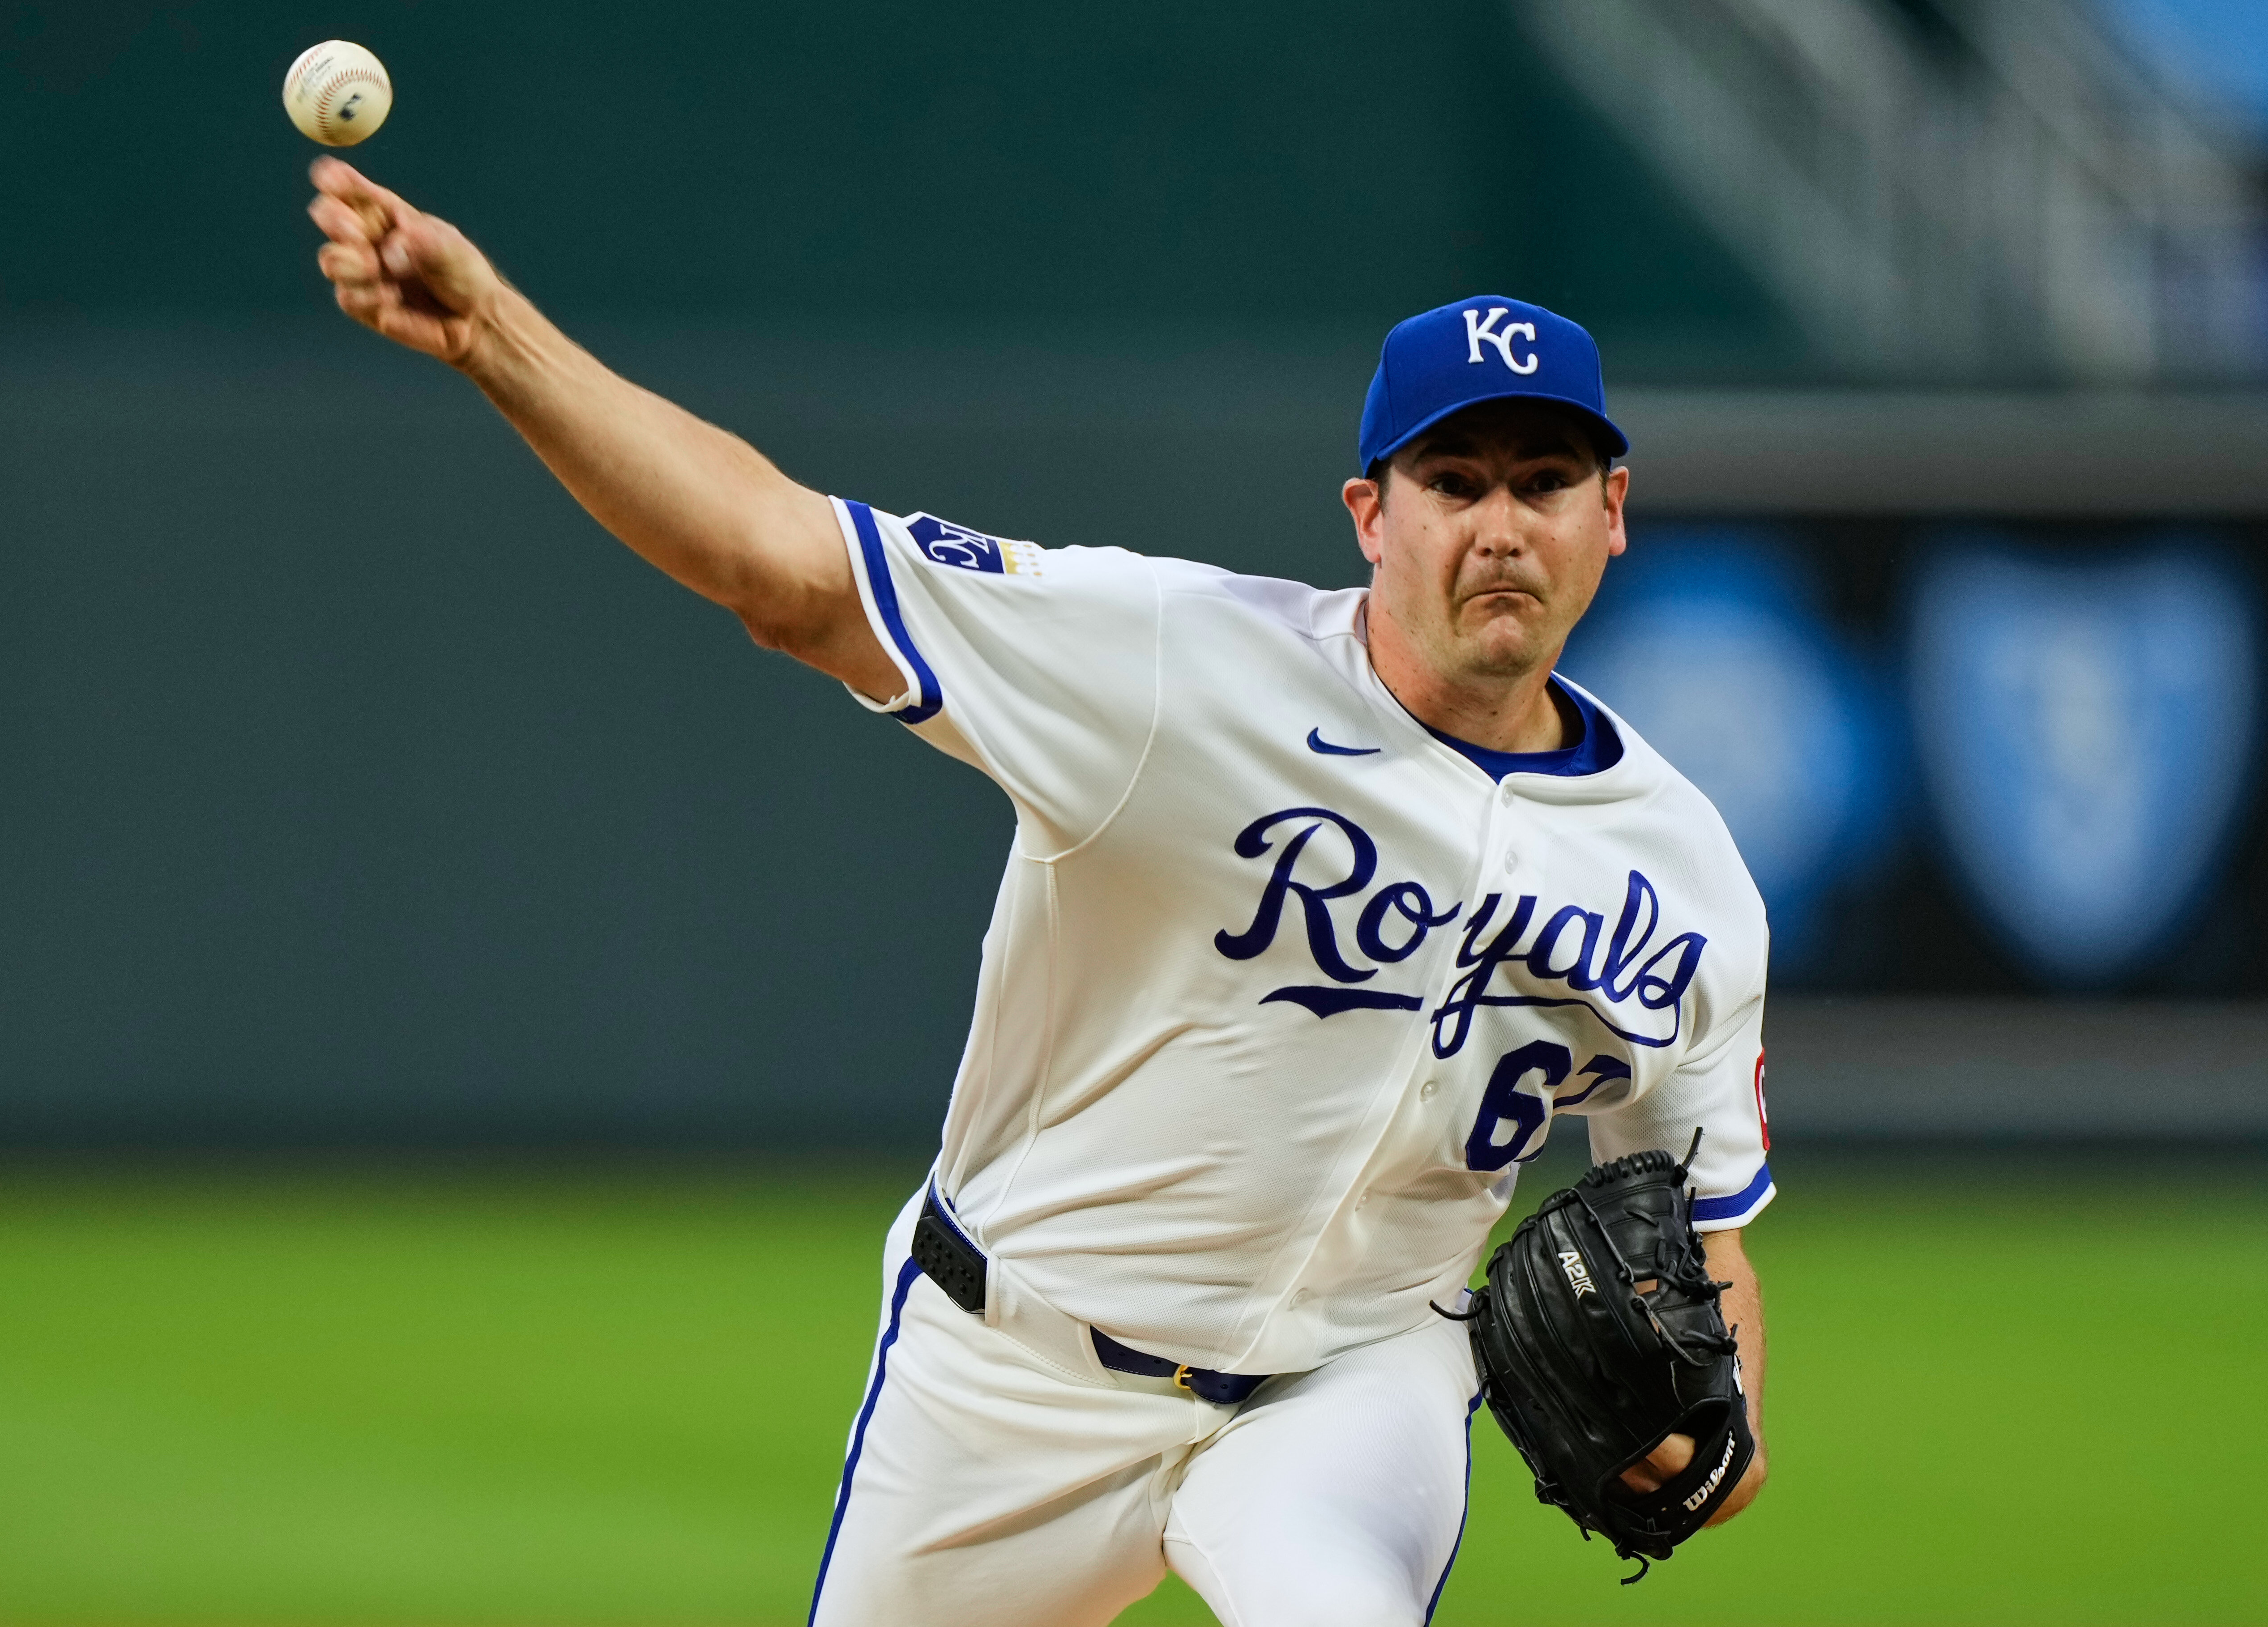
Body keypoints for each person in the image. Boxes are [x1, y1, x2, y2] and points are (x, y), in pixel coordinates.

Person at [306, 156, 1776, 1627]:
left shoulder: (1688, 873)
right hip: (1013, 1371)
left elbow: (1701, 1224)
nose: (1500, 525)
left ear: (1614, 510)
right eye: (1452, 483)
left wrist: (1730, 1440)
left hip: (1351, 1391)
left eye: (1544, 481)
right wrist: (498, 334)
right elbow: (785, 568)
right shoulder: (1172, 664)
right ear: (1370, 516)